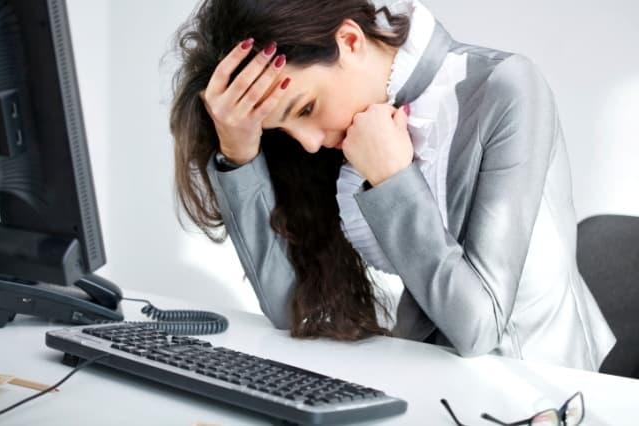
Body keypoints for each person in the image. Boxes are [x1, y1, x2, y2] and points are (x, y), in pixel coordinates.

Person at [169, 0, 616, 371]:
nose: (306, 144)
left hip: (539, 394)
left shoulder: (507, 88)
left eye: (305, 109)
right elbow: (295, 310)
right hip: (424, 384)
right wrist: (239, 155)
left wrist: (393, 177)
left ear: (349, 41)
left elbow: (479, 329)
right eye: (283, 131)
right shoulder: (352, 127)